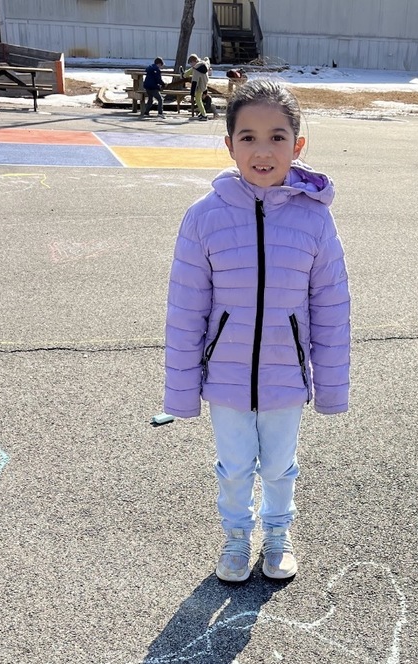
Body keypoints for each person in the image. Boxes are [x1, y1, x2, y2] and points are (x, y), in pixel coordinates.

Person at [163, 79, 350, 583]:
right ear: (229, 145)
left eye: (276, 137)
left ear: (297, 145)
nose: (262, 151)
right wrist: (181, 391)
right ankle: (235, 537)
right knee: (234, 467)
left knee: (280, 467)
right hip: (225, 378)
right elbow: (185, 310)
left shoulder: (315, 221)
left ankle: (278, 534)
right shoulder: (204, 218)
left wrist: (331, 387)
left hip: (286, 377)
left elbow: (331, 308)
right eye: (248, 137)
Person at [186, 53, 209, 120]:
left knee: (198, 100)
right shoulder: (203, 64)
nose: (191, 65)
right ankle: (202, 113)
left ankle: (204, 115)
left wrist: (192, 92)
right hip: (204, 84)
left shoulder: (196, 69)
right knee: (199, 100)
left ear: (193, 61)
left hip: (199, 87)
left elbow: (194, 81)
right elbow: (207, 61)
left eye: (191, 63)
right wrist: (206, 58)